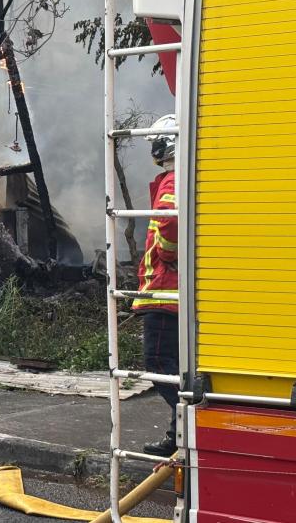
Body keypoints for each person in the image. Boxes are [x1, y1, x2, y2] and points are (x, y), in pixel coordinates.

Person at [135, 113, 179, 457]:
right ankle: (179, 434)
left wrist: (167, 257)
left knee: (160, 364)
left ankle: (188, 428)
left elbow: (170, 228)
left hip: (165, 294)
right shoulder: (185, 176)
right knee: (179, 368)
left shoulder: (172, 180)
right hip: (174, 294)